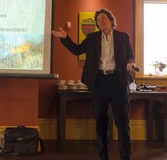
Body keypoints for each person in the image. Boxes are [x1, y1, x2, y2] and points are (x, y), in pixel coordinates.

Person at [52, 8, 136, 160]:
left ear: (111, 20)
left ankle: (126, 157)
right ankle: (103, 157)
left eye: (103, 18)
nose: (100, 21)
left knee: (122, 122)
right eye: (98, 20)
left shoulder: (123, 37)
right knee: (101, 122)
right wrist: (65, 37)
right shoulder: (92, 38)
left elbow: (130, 55)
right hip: (100, 82)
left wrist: (130, 63)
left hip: (119, 82)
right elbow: (77, 50)